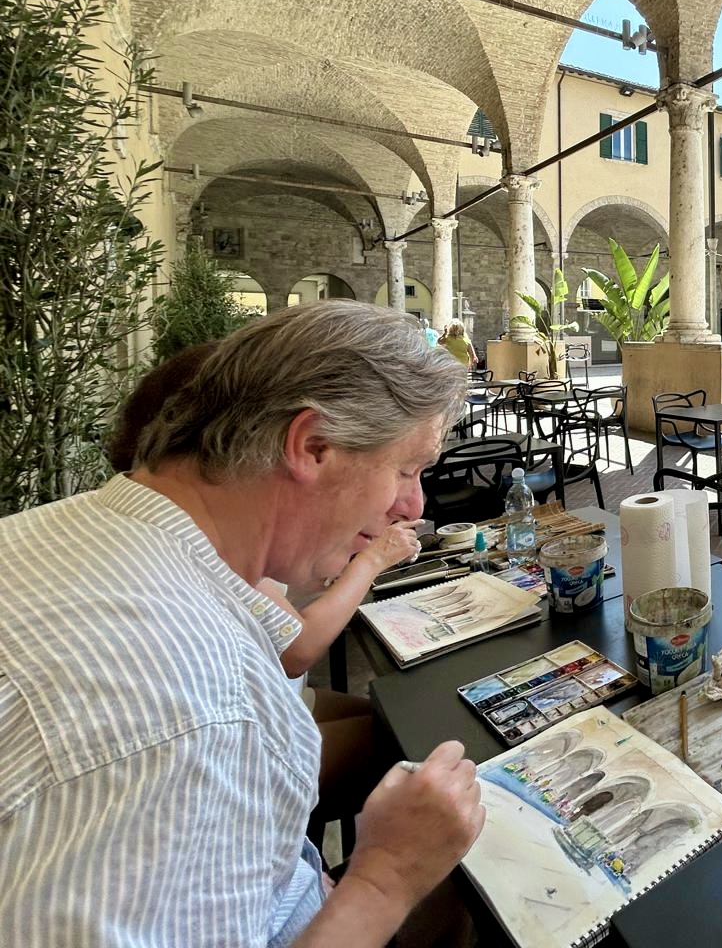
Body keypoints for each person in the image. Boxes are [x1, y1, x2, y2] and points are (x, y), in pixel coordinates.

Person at [0, 301, 484, 946]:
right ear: (311, 446)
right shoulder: (192, 714)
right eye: (405, 469)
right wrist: (386, 877)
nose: (413, 504)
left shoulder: (62, 533)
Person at [104, 344, 421, 826]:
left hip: (280, 699)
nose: (412, 501)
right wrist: (371, 558)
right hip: (263, 717)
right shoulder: (198, 544)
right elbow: (298, 647)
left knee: (391, 715)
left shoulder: (158, 525)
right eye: (404, 470)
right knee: (410, 744)